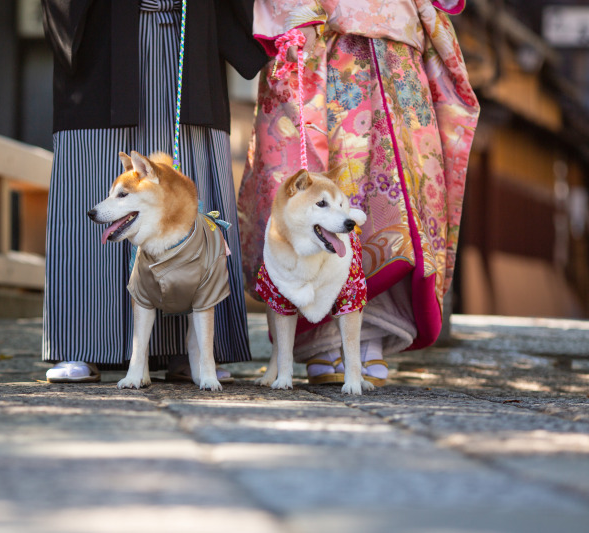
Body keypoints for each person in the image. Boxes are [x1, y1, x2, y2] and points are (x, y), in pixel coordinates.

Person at [238, 0, 479, 386]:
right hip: (325, 41)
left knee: (392, 199)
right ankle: (320, 343)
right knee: (318, 189)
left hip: (396, 51)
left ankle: (370, 340)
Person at [40, 0, 269, 383]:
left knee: (184, 186)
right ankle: (80, 342)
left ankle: (192, 349)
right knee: (100, 180)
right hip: (103, 38)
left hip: (186, 35)